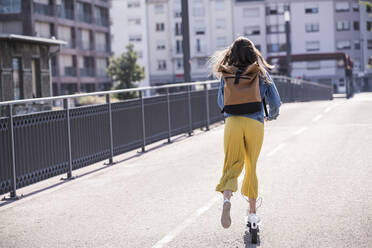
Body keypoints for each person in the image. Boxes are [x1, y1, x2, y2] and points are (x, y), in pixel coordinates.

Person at [209, 37, 281, 229]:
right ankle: (252, 216)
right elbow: (276, 101)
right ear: (253, 53)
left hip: (233, 123)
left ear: (231, 53)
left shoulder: (226, 74)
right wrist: (271, 116)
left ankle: (226, 201)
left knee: (232, 165)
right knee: (251, 167)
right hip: (255, 124)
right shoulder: (260, 72)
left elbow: (221, 103)